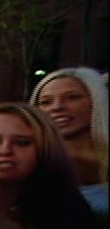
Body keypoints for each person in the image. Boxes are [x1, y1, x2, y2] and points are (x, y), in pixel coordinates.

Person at [29, 67, 108, 220]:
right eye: (46, 102)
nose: (57, 107)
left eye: (73, 97)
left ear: (97, 101)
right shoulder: (31, 161)